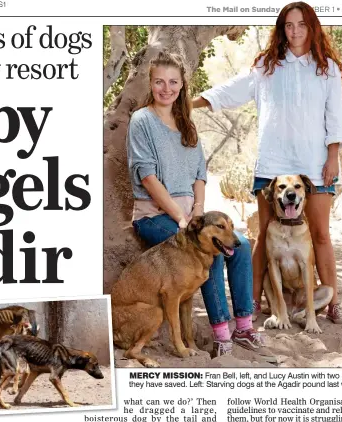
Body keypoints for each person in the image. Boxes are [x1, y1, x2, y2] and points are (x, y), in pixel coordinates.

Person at [192, 1, 342, 324]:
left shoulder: (327, 69)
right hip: (272, 164)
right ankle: (250, 305)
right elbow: (231, 91)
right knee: (265, 235)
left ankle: (332, 305)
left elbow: (334, 117)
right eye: (288, 25)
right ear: (281, 29)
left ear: (312, 28)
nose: (295, 31)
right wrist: (189, 102)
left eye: (302, 25)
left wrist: (333, 156)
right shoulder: (266, 66)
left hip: (315, 163)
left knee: (321, 234)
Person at [127, 50, 276, 362]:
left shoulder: (187, 123)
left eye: (172, 82)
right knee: (210, 252)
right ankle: (222, 335)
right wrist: (180, 216)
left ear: (182, 86)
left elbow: (199, 174)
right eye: (159, 82)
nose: (165, 88)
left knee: (242, 247)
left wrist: (199, 207)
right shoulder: (142, 121)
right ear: (151, 84)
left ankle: (244, 326)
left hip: (190, 214)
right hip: (155, 214)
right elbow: (149, 177)